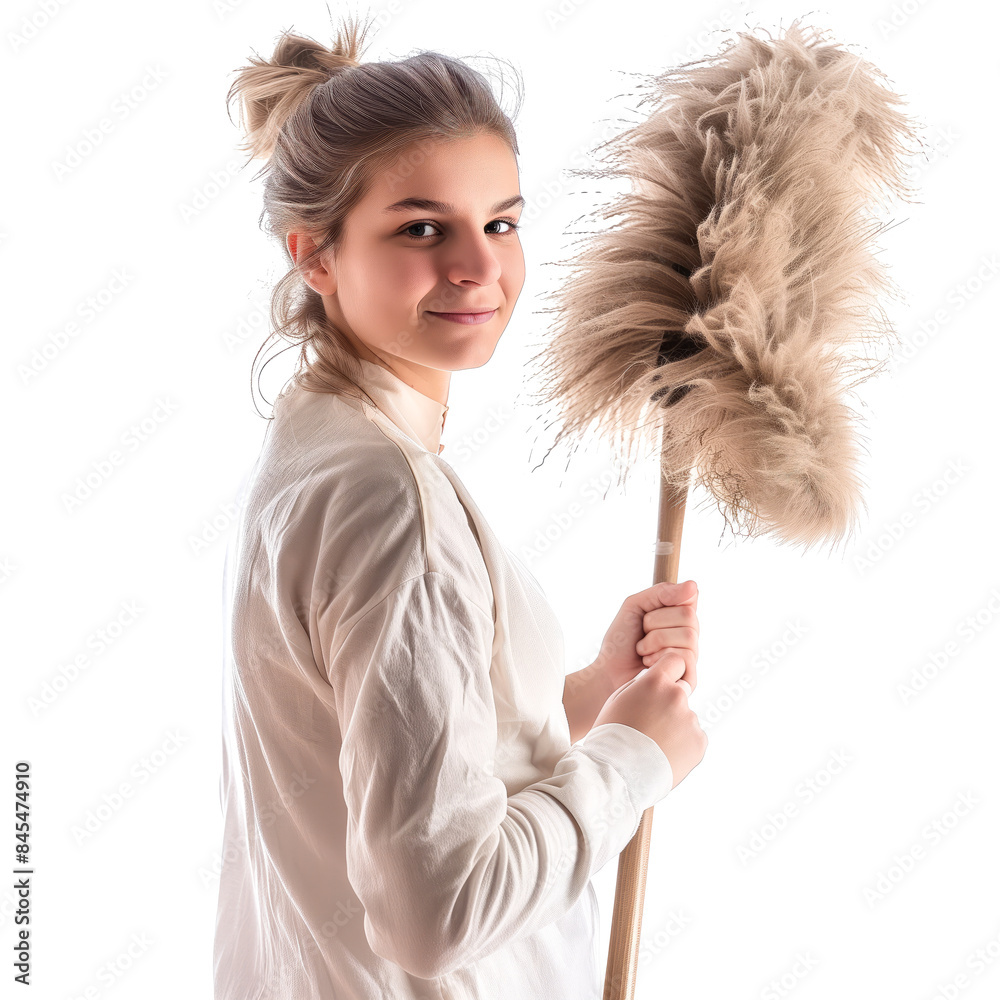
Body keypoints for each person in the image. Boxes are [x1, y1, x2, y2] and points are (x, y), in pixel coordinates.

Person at [214, 13, 708, 1000]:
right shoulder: (388, 496)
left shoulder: (315, 449)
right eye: (420, 228)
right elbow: (436, 913)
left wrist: (571, 703)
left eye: (501, 222)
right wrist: (629, 758)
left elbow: (380, 752)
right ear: (313, 253)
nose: (480, 267)